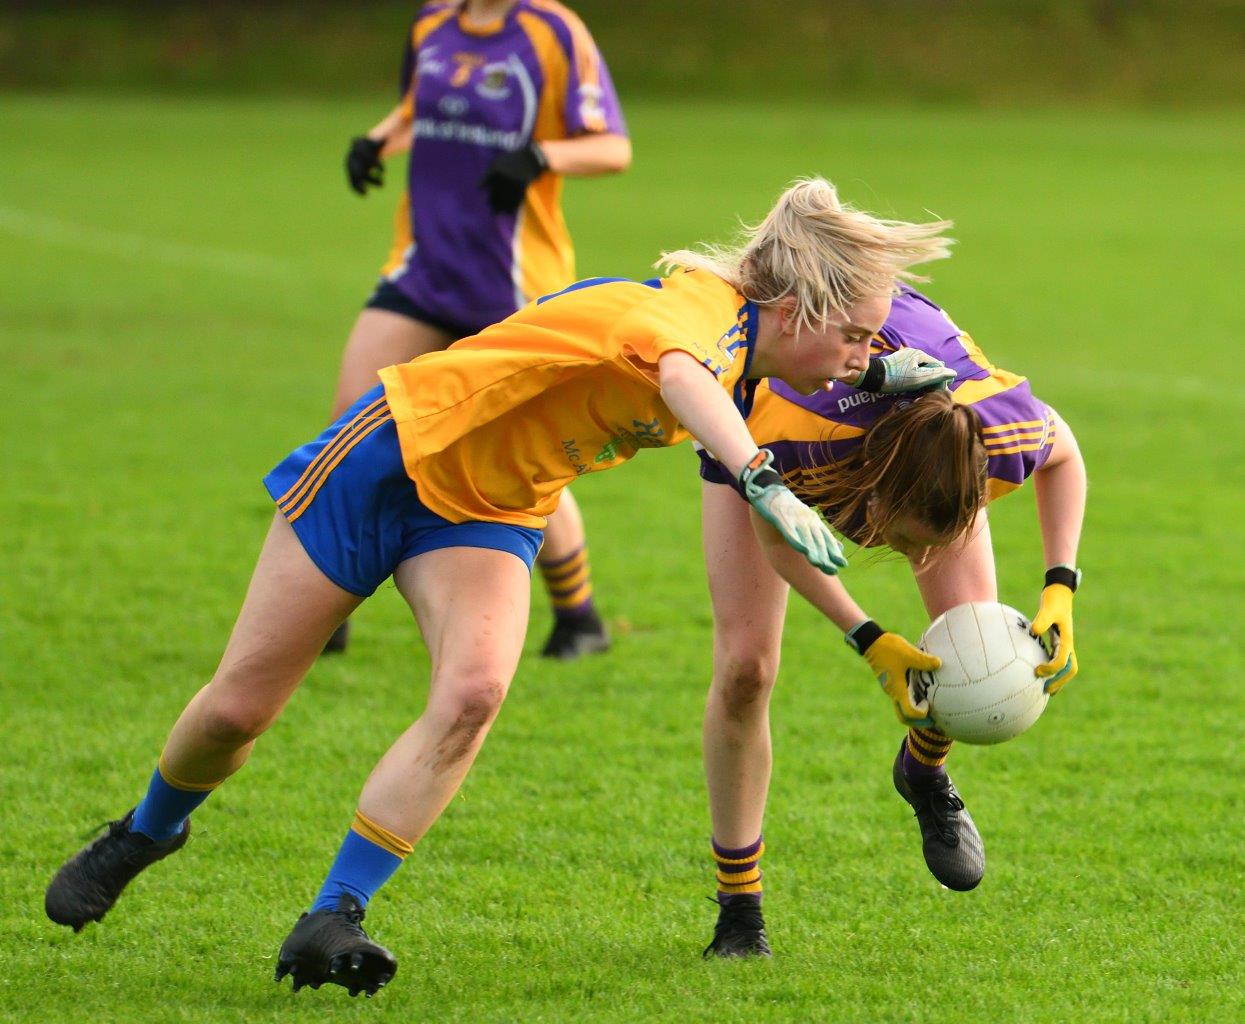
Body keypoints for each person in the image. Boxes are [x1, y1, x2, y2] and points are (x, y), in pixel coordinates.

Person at [44, 179, 959, 996]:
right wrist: (758, 477)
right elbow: (682, 369)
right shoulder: (701, 314)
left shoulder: (749, 346)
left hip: (490, 512)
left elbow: (739, 374)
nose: (864, 347)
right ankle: (149, 829)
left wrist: (876, 376)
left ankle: (335, 915)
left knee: (475, 690)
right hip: (394, 455)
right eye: (854, 332)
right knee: (237, 712)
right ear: (795, 306)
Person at [694, 284, 1086, 957]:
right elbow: (778, 541)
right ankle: (739, 907)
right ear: (870, 497)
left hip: (920, 422)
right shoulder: (799, 444)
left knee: (971, 643)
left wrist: (1060, 591)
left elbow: (1066, 456)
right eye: (906, 542)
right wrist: (869, 639)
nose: (910, 557)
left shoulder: (994, 424)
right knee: (745, 669)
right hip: (752, 419)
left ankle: (922, 771)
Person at [334, 0, 632, 657]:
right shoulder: (430, 24)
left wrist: (538, 156)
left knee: (522, 453)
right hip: (422, 269)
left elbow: (612, 146)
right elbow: (422, 109)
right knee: (348, 430)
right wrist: (378, 140)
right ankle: (324, 608)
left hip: (511, 282)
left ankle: (579, 617)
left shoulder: (552, 31)